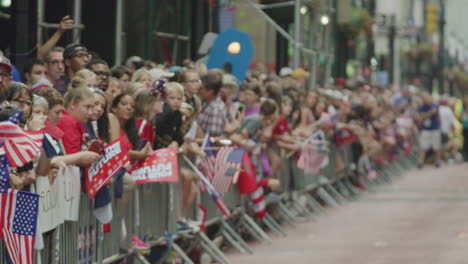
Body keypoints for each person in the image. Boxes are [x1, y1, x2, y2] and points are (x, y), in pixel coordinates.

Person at [196, 69, 227, 137]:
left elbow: (213, 138)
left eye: (201, 88)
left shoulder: (216, 109)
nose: (198, 90)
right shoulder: (206, 102)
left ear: (210, 91)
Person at [417, 93, 441, 168]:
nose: (425, 100)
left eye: (426, 98)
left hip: (435, 128)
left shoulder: (435, 105)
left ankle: (437, 161)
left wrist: (440, 126)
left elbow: (437, 115)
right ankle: (420, 162)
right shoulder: (421, 107)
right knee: (423, 146)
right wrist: (430, 113)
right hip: (426, 129)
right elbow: (422, 116)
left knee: (436, 146)